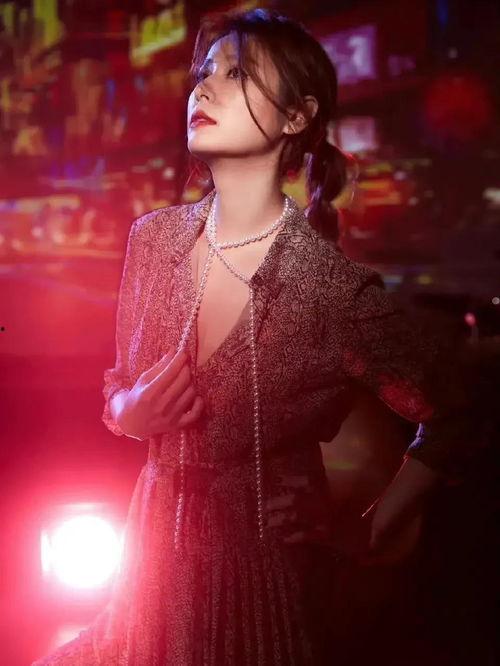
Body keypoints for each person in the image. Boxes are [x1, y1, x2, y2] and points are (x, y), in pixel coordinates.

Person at [31, 8, 467, 665]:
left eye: (236, 74)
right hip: (146, 585)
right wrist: (129, 411)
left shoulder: (329, 289)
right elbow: (119, 386)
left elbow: (459, 411)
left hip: (264, 596)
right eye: (205, 72)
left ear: (296, 116)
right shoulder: (153, 241)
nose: (202, 88)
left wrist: (366, 529)